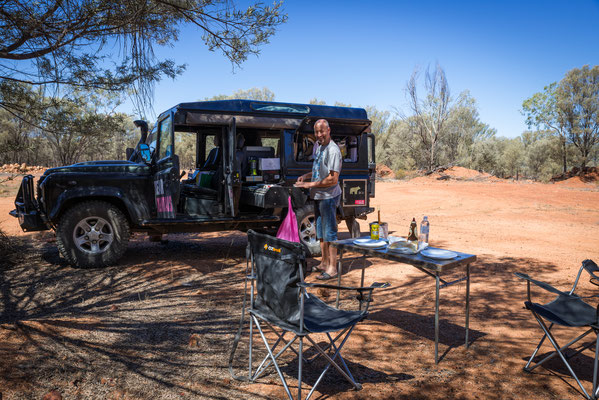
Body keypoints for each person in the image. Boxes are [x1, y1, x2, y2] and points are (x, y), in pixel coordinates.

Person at [294, 119, 342, 280]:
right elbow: (318, 170)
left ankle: (332, 268)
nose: (319, 134)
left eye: (322, 131)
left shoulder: (333, 150)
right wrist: (306, 176)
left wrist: (310, 184)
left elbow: (333, 179)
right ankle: (324, 263)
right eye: (316, 132)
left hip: (328, 197)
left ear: (328, 130)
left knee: (330, 233)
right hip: (318, 196)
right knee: (320, 232)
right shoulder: (320, 147)